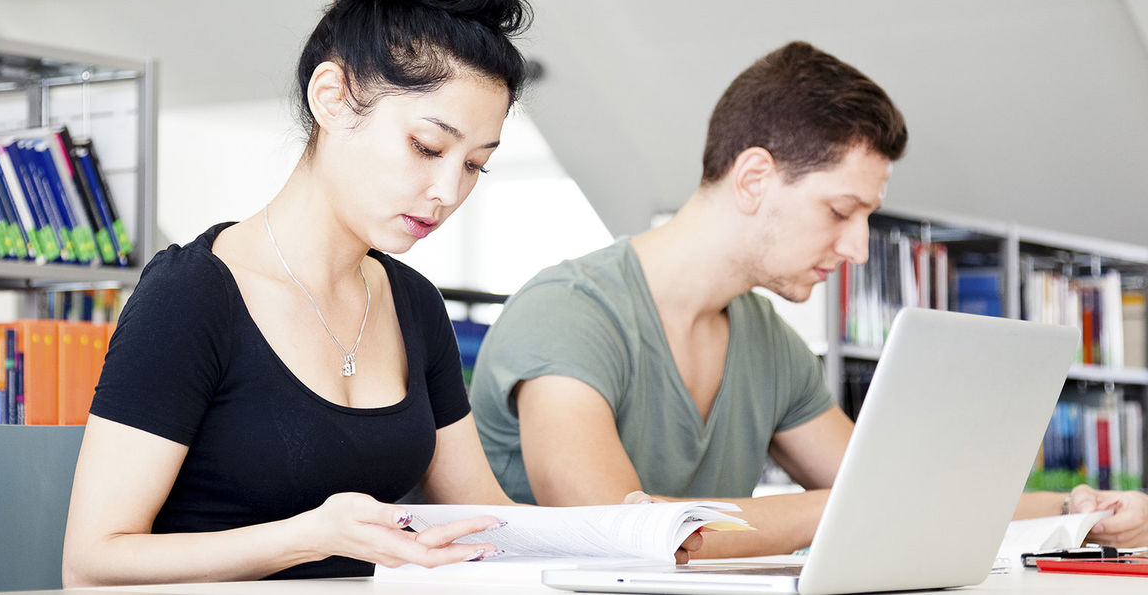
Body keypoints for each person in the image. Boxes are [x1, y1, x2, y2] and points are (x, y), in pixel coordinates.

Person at [62, 0, 699, 586]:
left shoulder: (412, 304)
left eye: (475, 164)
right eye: (427, 146)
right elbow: (92, 562)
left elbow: (485, 518)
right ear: (332, 98)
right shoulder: (192, 296)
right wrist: (303, 538)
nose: (448, 190)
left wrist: (615, 532)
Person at [469, 41, 1148, 557]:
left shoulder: (767, 340)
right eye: (840, 211)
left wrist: (1083, 510)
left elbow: (911, 495)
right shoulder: (568, 313)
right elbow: (621, 532)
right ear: (756, 176)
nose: (857, 248)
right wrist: (854, 507)